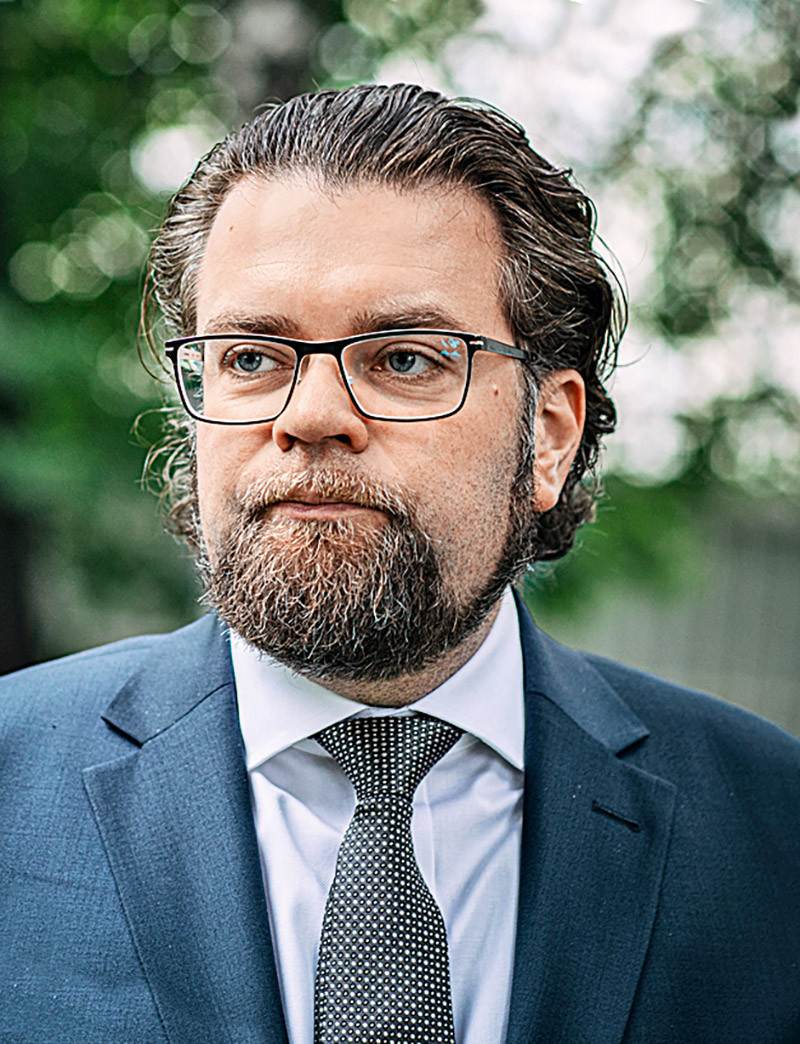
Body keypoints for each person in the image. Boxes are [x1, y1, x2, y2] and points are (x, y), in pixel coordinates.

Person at [1, 83, 798, 1044]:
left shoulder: (771, 827)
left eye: (406, 359)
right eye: (251, 358)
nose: (309, 415)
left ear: (549, 436)